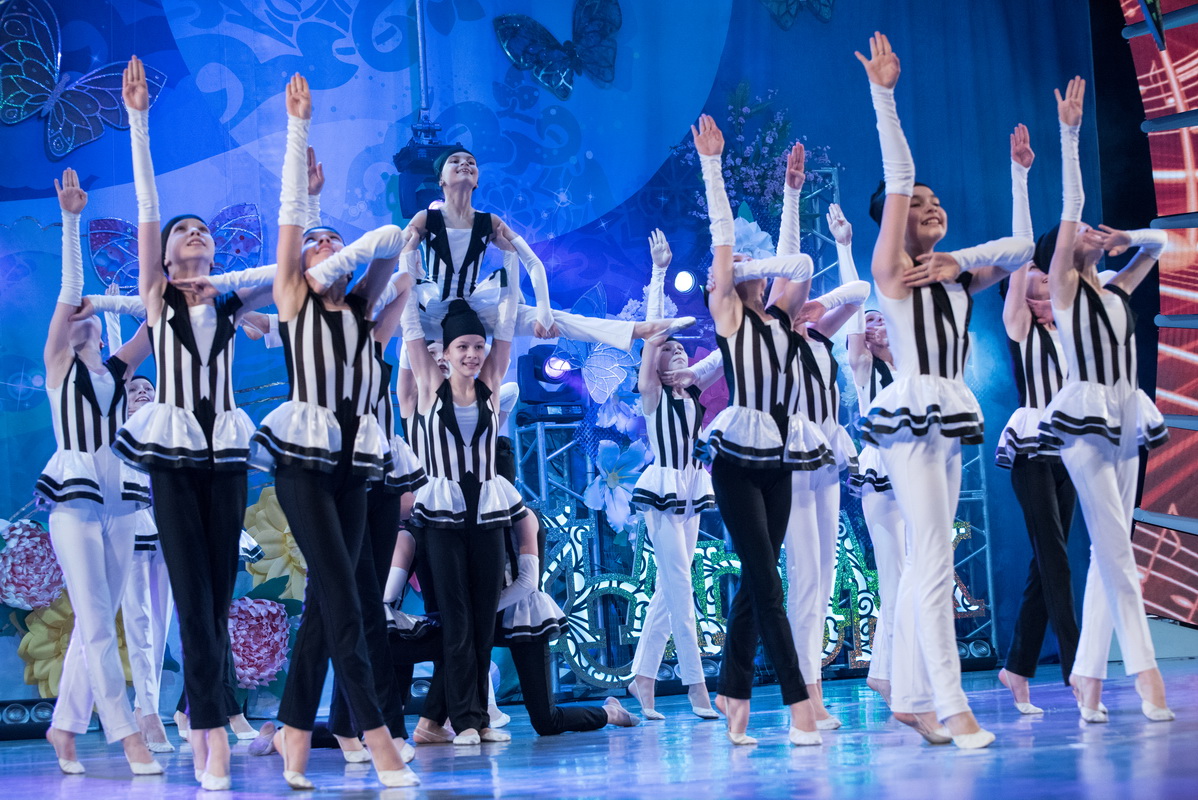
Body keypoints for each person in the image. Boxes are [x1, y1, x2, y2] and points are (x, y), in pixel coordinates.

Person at [856, 32, 1032, 748]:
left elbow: (1023, 250)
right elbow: (899, 175)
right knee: (931, 555)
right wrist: (884, 96)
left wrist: (965, 251)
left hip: (949, 413)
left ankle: (906, 693)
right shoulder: (891, 272)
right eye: (919, 205)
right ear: (895, 221)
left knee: (929, 557)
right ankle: (952, 704)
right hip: (909, 412)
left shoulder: (954, 276)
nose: (932, 207)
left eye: (937, 203)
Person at [248, 73, 418, 790]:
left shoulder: (360, 313)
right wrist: (299, 130)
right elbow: (295, 228)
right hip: (303, 459)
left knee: (329, 599)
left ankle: (294, 729)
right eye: (316, 244)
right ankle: (375, 737)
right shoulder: (293, 300)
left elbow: (387, 254)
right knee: (346, 598)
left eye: (332, 242)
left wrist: (371, 245)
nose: (323, 247)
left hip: (357, 461)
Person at [1039, 76, 1173, 724]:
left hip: (1125, 417)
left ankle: (1087, 679)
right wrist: (1070, 135)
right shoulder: (1065, 291)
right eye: (1084, 232)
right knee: (1118, 548)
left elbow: (1162, 244)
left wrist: (1127, 236)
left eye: (1095, 230)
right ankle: (1148, 675)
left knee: (1106, 549)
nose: (1091, 230)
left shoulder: (1117, 289)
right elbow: (1072, 207)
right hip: (1082, 421)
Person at [692, 114, 821, 747]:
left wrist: (792, 192)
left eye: (753, 259)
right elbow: (724, 242)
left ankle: (733, 690)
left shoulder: (779, 318)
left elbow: (796, 265)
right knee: (769, 585)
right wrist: (712, 166)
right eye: (738, 261)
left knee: (759, 577)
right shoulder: (728, 316)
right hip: (737, 459)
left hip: (780, 455)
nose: (748, 263)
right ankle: (799, 706)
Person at [37, 167, 160, 776]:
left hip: (120, 497)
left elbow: (158, 319)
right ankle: (127, 735)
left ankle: (64, 726)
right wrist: (71, 220)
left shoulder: (116, 369)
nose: (77, 313)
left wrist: (158, 273)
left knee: (101, 620)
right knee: (95, 622)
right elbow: (70, 290)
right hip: (76, 497)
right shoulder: (59, 364)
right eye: (72, 313)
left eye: (86, 312)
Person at [400, 222, 523, 744]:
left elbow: (509, 318)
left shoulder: (492, 384)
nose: (472, 354)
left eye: (477, 346)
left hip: (487, 508)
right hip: (442, 511)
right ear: (445, 352)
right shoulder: (430, 386)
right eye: (463, 347)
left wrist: (512, 257)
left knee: (481, 616)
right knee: (454, 616)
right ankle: (466, 720)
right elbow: (410, 322)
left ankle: (477, 717)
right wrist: (408, 256)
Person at [768, 149, 870, 731]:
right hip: (790, 457)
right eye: (791, 290)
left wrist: (821, 300)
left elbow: (858, 292)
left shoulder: (816, 335)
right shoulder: (770, 333)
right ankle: (803, 695)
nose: (800, 290)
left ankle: (811, 688)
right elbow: (791, 264)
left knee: (824, 576)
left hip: (827, 458)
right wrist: (790, 195)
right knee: (804, 575)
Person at [993, 124, 1081, 715]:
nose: (1046, 284)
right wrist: (1020, 176)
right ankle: (1078, 672)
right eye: (1037, 282)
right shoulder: (1020, 327)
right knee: (1053, 558)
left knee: (1045, 563)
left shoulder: (1068, 328)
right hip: (1031, 447)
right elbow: (1024, 254)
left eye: (1050, 281)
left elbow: (1070, 264)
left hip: (1069, 445)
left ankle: (1016, 667)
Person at [626, 230, 718, 721]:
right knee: (681, 588)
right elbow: (655, 334)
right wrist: (659, 272)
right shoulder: (652, 393)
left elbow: (726, 355)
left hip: (692, 487)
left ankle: (642, 678)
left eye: (682, 348)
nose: (677, 350)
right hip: (663, 487)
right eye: (669, 349)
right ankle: (695, 684)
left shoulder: (691, 389)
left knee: (670, 589)